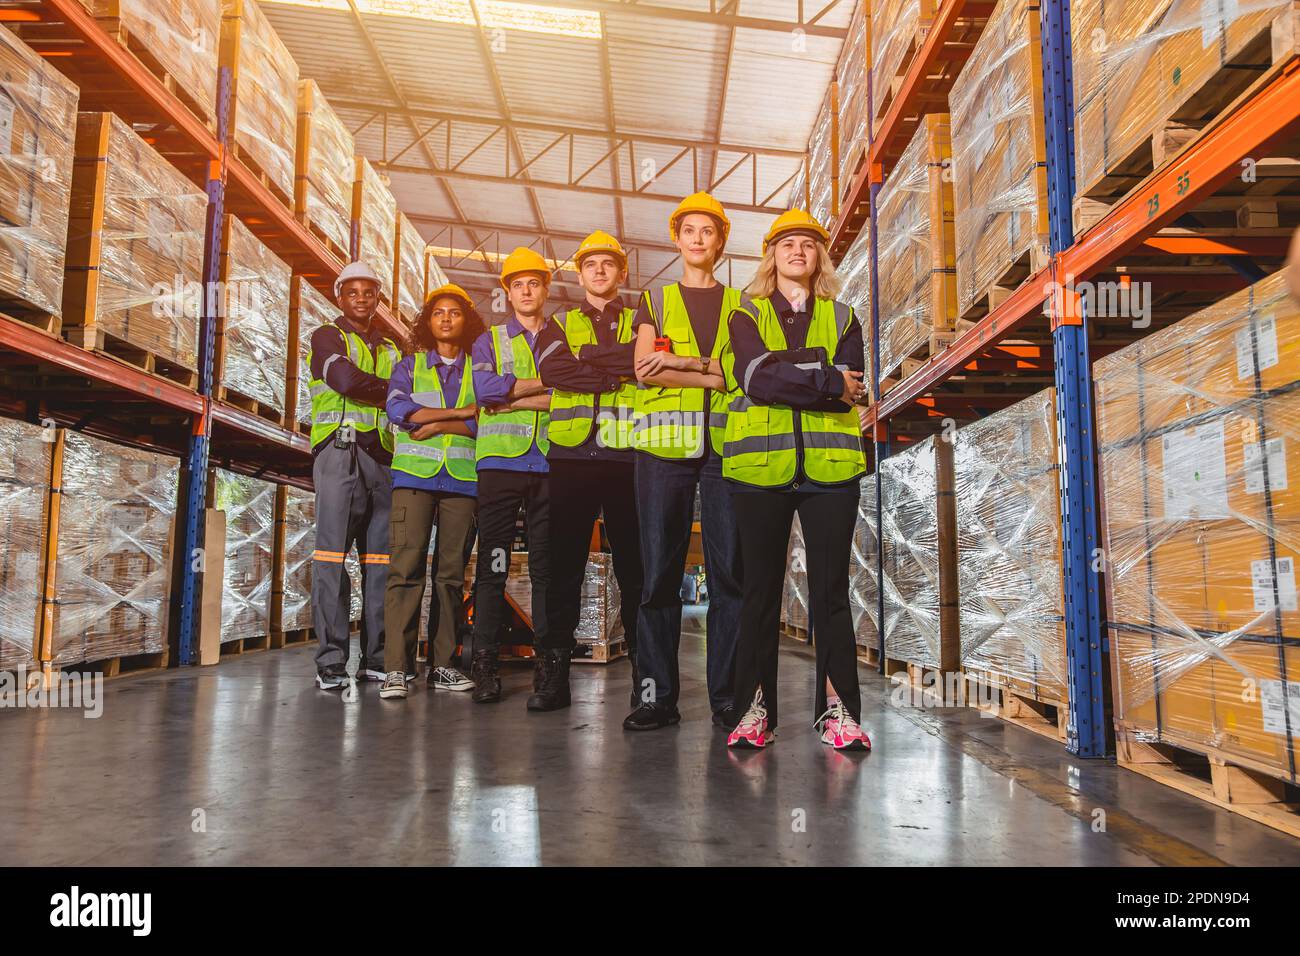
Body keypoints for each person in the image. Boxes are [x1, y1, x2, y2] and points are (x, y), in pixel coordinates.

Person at [719, 210, 871, 750]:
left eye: (808, 244)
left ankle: (839, 714)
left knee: (831, 591)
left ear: (819, 257)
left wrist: (798, 373)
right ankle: (754, 712)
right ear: (772, 255)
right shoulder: (745, 312)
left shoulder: (845, 316)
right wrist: (823, 376)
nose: (798, 251)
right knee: (759, 592)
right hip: (759, 470)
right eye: (788, 244)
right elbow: (754, 377)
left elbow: (852, 387)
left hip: (830, 470)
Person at [623, 192, 746, 732]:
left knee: (730, 575)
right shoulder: (654, 301)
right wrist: (702, 368)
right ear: (676, 239)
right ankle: (655, 697)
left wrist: (681, 360)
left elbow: (739, 374)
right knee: (658, 575)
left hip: (723, 448)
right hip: (662, 448)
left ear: (720, 241)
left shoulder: (744, 304)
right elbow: (645, 371)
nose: (698, 239)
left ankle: (729, 698)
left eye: (708, 231)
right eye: (689, 230)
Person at [532, 231, 644, 711]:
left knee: (636, 567)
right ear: (580, 274)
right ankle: (554, 677)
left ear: (622, 273)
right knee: (562, 568)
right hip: (572, 456)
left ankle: (647, 676)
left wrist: (592, 361)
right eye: (591, 264)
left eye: (608, 264)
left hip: (626, 454)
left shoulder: (642, 319)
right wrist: (616, 369)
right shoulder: (558, 323)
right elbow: (553, 371)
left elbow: (646, 367)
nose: (599, 271)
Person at [379, 283, 484, 700]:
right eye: (438, 312)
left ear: (466, 321)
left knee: (450, 575)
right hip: (414, 480)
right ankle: (396, 670)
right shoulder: (409, 367)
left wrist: (439, 424)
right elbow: (399, 411)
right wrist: (459, 412)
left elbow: (485, 422)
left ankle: (443, 664)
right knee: (405, 572)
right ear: (428, 321)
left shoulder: (480, 368)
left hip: (462, 479)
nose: (445, 318)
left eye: (454, 312)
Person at [305, 260, 402, 690]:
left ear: (378, 299)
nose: (361, 299)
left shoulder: (393, 349)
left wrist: (391, 392)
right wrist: (390, 391)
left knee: (380, 563)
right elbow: (344, 380)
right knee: (331, 559)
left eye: (369, 292)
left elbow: (410, 394)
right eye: (353, 292)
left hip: (381, 459)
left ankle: (376, 659)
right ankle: (331, 662)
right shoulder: (327, 337)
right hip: (339, 455)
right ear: (339, 296)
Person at [467, 248, 554, 704]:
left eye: (533, 282)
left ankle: (547, 667)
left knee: (546, 568)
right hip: (500, 464)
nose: (526, 290)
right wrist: (543, 387)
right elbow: (484, 391)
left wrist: (512, 396)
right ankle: (485, 667)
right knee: (492, 566)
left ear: (545, 289)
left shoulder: (563, 337)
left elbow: (570, 395)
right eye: (517, 283)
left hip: (550, 464)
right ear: (507, 291)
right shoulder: (490, 340)